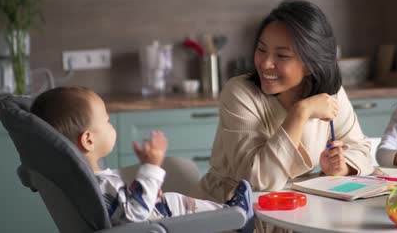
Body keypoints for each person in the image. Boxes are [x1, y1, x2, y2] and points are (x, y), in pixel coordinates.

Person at [199, 0, 374, 203]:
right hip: (232, 208)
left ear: (311, 64)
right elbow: (256, 180)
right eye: (261, 50)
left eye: (281, 56)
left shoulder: (330, 93)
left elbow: (361, 151)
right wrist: (300, 113)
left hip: (296, 204)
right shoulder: (239, 93)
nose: (265, 63)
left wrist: (343, 166)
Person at [30, 86, 254, 232]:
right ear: (88, 140)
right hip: (153, 226)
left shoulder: (79, 181)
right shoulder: (103, 184)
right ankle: (235, 219)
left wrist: (144, 190)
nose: (110, 126)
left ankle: (228, 212)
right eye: (106, 121)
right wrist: (151, 167)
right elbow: (133, 218)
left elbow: (121, 206)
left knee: (172, 199)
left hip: (150, 214)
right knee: (177, 204)